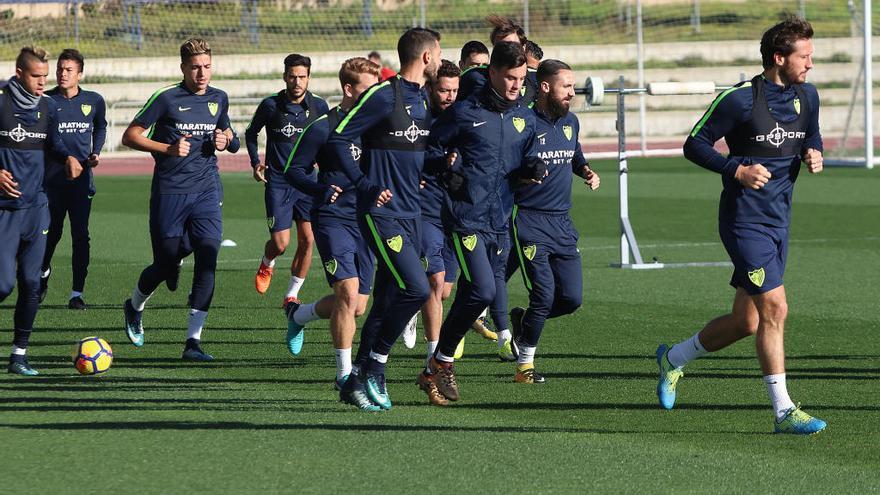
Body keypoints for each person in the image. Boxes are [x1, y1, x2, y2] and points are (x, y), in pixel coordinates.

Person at [659, 17, 826, 435]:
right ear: (778, 57)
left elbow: (813, 136)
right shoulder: (739, 100)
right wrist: (736, 170)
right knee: (776, 308)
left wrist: (814, 153)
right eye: (804, 56)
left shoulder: (808, 96)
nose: (811, 64)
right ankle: (784, 411)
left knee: (746, 322)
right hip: (744, 222)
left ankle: (673, 359)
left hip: (779, 223)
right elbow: (693, 144)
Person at [418, 41, 543, 405]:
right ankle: (441, 361)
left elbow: (525, 161)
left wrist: (530, 170)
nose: (516, 85)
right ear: (492, 74)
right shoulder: (464, 113)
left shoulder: (525, 118)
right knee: (484, 290)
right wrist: (446, 169)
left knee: (478, 292)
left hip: (501, 220)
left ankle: (435, 366)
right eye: (509, 77)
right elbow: (427, 151)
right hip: (464, 217)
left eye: (521, 78)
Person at [328, 27, 441, 411]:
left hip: (413, 213)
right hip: (382, 213)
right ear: (426, 57)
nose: (440, 60)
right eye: (438, 54)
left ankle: (355, 378)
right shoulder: (382, 95)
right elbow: (339, 139)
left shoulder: (423, 99)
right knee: (417, 289)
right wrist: (364, 184)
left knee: (390, 296)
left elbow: (415, 155)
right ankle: (376, 365)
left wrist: (445, 165)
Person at [121, 38, 239, 361]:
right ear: (183, 68)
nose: (202, 73)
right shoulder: (166, 99)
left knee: (208, 254)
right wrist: (168, 149)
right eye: (195, 67)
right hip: (170, 192)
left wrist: (227, 138)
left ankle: (193, 342)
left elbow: (232, 139)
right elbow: (130, 136)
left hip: (206, 191)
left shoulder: (219, 99)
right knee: (165, 263)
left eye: (207, 66)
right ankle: (134, 305)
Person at [282, 57, 380, 388]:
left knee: (356, 307)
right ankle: (343, 376)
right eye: (370, 88)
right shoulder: (323, 126)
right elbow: (293, 170)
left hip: (367, 221)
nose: (376, 94)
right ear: (349, 89)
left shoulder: (379, 126)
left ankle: (299, 315)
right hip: (332, 219)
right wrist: (320, 187)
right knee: (347, 293)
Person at [508, 59, 600, 384]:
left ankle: (522, 322)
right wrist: (524, 173)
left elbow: (573, 153)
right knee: (544, 294)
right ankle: (524, 367)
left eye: (573, 87)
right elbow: (504, 168)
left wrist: (586, 170)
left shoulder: (570, 122)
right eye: (566, 87)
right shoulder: (522, 123)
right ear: (545, 87)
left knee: (572, 299)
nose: (572, 93)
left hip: (562, 222)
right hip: (529, 221)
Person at [1, 46, 80, 375]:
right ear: (19, 73)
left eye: (45, 76)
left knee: (31, 283)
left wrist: (68, 158)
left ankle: (19, 355)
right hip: (4, 211)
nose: (42, 82)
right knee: (3, 286)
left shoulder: (48, 107)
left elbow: (54, 144)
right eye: (36, 76)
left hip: (37, 208)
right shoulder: (1, 101)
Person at [248, 54, 328, 305]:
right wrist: (255, 162)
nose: (297, 81)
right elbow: (251, 134)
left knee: (308, 239)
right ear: (285, 77)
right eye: (292, 76)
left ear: (308, 78)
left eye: (302, 77)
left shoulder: (320, 107)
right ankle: (267, 262)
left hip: (307, 181)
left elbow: (329, 140)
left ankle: (291, 294)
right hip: (279, 182)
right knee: (281, 243)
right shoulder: (270, 106)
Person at [39, 48, 107, 310]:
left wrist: (95, 152)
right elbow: (45, 139)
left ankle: (76, 294)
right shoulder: (45, 101)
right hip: (50, 184)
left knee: (81, 236)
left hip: (80, 184)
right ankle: (43, 272)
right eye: (60, 69)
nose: (62, 73)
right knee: (50, 235)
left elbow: (101, 125)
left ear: (80, 73)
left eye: (68, 69)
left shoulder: (94, 100)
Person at [457, 15, 537, 106]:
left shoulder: (537, 82)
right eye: (500, 47)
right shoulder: (475, 79)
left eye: (512, 45)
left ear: (523, 47)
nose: (506, 51)